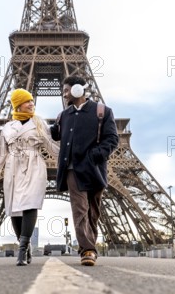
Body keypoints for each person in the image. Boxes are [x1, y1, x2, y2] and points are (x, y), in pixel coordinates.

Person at [0, 88, 58, 266]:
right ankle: (25, 246)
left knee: (30, 204)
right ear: (18, 104)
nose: (32, 103)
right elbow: (0, 153)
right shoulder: (8, 127)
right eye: (27, 101)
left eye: (32, 100)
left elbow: (53, 147)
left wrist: (72, 160)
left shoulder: (40, 123)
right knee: (14, 209)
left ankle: (22, 251)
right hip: (13, 167)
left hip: (34, 165)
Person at [50, 75, 119, 266]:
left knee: (93, 212)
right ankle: (88, 250)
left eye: (66, 90)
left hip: (94, 168)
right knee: (80, 209)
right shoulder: (64, 116)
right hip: (72, 168)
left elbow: (112, 139)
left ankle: (89, 247)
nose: (63, 94)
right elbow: (54, 134)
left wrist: (94, 156)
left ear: (77, 90)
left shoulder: (102, 111)